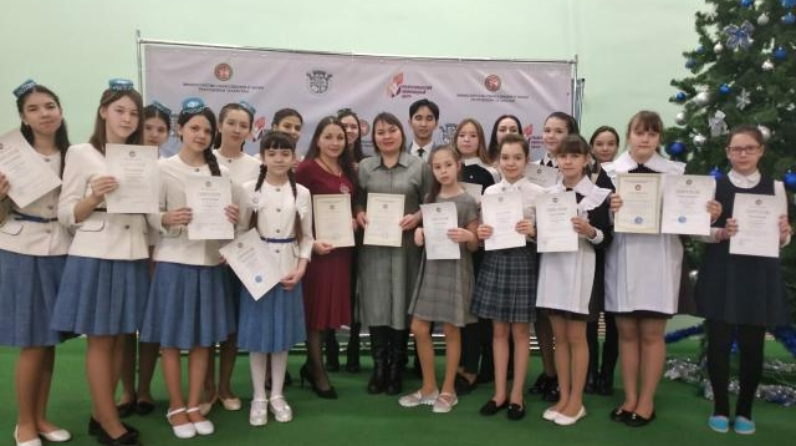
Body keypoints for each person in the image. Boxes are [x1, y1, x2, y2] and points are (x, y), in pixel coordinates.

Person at [604, 110, 721, 427]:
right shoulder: (609, 172)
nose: (645, 139)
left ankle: (646, 401)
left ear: (659, 138)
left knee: (652, 334)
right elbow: (596, 224)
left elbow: (691, 224)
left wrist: (707, 215)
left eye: (652, 133)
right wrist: (610, 210)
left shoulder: (676, 173)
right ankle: (629, 398)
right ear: (629, 134)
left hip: (660, 261)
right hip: (622, 259)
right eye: (639, 132)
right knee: (627, 333)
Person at [51, 79, 148, 446]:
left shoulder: (141, 157)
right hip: (97, 253)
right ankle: (109, 423)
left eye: (134, 113)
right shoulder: (81, 153)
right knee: (102, 341)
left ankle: (99, 413)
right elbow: (65, 214)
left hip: (133, 251)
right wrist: (93, 197)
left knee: (122, 338)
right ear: (104, 111)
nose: (127, 118)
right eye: (120, 110)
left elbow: (149, 211)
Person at [139, 98, 239, 439]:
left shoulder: (221, 172)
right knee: (171, 340)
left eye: (207, 131)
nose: (201, 135)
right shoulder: (162, 168)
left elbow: (231, 223)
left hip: (209, 264)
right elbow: (149, 214)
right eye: (194, 128)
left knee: (202, 341)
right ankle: (176, 406)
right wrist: (166, 218)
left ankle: (195, 404)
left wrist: (232, 220)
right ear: (179, 130)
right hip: (173, 262)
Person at [694, 124, 792, 435]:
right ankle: (721, 408)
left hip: (758, 273)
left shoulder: (776, 188)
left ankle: (745, 410)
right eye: (736, 149)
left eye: (750, 148)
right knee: (719, 342)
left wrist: (785, 234)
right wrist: (719, 231)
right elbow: (698, 231)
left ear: (761, 150)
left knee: (753, 344)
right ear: (728, 152)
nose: (743, 154)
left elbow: (782, 236)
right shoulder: (714, 186)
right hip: (722, 270)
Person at [0, 80, 72, 446]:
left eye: (49, 106)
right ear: (23, 118)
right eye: (33, 109)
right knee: (32, 341)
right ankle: (24, 423)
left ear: (60, 110)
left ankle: (41, 417)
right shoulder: (8, 158)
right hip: (21, 249)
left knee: (48, 340)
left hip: (61, 249)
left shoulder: (74, 154)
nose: (44, 114)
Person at [535, 135, 612, 426]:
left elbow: (607, 239)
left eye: (574, 156)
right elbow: (542, 234)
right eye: (563, 156)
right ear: (556, 160)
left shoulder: (599, 196)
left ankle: (577, 401)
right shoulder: (549, 194)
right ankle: (564, 396)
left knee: (577, 338)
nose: (568, 161)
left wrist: (590, 231)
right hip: (553, 269)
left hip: (582, 271)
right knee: (560, 338)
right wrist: (532, 231)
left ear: (586, 159)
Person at [237, 130, 312, 426]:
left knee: (281, 338)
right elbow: (240, 232)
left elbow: (307, 237)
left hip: (288, 269)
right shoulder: (248, 189)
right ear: (262, 157)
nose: (278, 159)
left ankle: (278, 394)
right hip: (256, 270)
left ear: (294, 158)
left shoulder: (302, 192)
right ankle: (258, 396)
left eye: (285, 153)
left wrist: (302, 267)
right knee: (258, 339)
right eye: (272, 153)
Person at [398, 145, 479, 414]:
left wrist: (469, 237)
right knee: (419, 327)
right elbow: (425, 227)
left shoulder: (468, 201)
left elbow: (475, 244)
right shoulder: (430, 198)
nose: (443, 171)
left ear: (458, 166)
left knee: (452, 329)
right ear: (432, 170)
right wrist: (419, 233)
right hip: (431, 268)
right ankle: (429, 387)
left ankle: (448, 390)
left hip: (456, 269)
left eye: (448, 165)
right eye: (437, 167)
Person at [356, 112, 431, 396]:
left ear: (402, 132)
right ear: (373, 137)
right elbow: (357, 201)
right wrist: (359, 212)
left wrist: (418, 217)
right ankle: (379, 367)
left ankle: (397, 366)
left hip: (405, 248)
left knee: (402, 301)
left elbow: (431, 201)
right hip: (373, 248)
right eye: (380, 132)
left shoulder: (419, 166)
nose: (386, 136)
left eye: (392, 130)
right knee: (376, 302)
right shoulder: (365, 167)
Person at [472, 133, 544, 421]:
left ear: (526, 160)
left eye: (517, 157)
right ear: (497, 160)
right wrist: (481, 232)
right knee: (499, 331)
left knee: (521, 333)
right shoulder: (490, 192)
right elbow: (482, 231)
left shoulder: (539, 192)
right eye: (505, 157)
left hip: (524, 260)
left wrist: (533, 231)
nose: (510, 163)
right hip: (495, 260)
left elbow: (549, 235)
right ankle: (499, 393)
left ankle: (517, 394)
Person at [198, 100, 261, 416]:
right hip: (209, 253)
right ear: (219, 126)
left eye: (243, 125)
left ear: (250, 131)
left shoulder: (257, 166)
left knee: (233, 325)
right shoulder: (203, 159)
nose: (237, 129)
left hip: (243, 255)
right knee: (209, 324)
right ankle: (206, 388)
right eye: (231, 123)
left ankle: (225, 387)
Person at [117, 100, 172, 419]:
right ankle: (126, 389)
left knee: (151, 325)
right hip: (126, 249)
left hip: (159, 252)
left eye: (160, 129)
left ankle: (146, 389)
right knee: (126, 325)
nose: (153, 134)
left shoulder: (168, 167)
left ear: (168, 134)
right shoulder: (120, 162)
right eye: (148, 127)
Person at [295, 116, 357, 399]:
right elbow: (294, 212)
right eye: (328, 137)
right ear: (317, 140)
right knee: (315, 313)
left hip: (341, 252)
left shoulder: (346, 170)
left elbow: (351, 205)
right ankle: (317, 371)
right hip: (316, 254)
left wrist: (353, 218)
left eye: (340, 137)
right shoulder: (306, 169)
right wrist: (310, 244)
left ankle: (312, 364)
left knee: (328, 311)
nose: (335, 142)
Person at [528, 111, 579, 402]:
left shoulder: (579, 171)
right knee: (543, 316)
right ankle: (549, 372)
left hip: (569, 253)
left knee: (567, 318)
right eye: (547, 130)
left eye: (558, 131)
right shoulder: (531, 168)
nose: (551, 136)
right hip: (536, 248)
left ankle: (568, 377)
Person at [449, 118, 499, 394]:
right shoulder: (448, 169)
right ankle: (462, 364)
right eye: (462, 135)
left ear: (480, 140)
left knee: (479, 312)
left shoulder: (489, 174)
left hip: (478, 250)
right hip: (451, 249)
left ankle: (483, 367)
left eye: (473, 135)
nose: (467, 139)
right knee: (460, 311)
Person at [322, 108, 367, 374]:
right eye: (343, 127)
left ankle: (353, 347)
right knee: (330, 293)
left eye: (353, 127)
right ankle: (329, 346)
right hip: (329, 239)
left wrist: (358, 214)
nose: (348, 131)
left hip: (359, 237)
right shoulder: (324, 163)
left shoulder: (366, 163)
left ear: (359, 131)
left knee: (354, 293)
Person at [585, 126, 620, 396]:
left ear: (618, 147)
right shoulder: (585, 178)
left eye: (610, 143)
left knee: (613, 318)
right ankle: (590, 373)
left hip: (619, 251)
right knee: (589, 315)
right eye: (599, 143)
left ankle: (607, 375)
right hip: (592, 252)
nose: (605, 148)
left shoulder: (624, 176)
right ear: (592, 148)